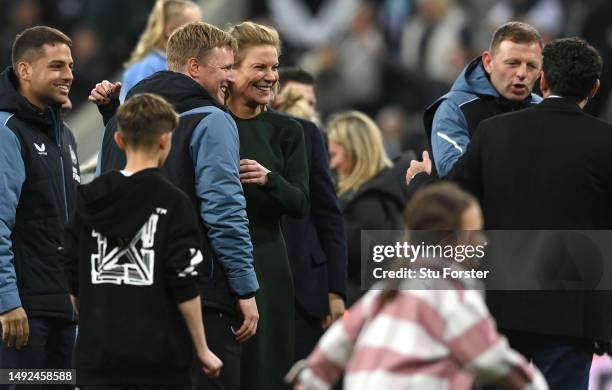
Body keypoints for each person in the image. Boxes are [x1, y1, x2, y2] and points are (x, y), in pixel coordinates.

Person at [407, 37, 612, 390]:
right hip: (573, 316)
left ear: (543, 79)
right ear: (594, 88)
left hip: (501, 310)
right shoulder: (606, 142)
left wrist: (419, 183)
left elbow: (453, 203)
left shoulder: (493, 132)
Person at [93, 22, 259, 390]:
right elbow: (224, 211)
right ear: (194, 67)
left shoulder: (118, 124)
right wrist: (244, 289)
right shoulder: (213, 120)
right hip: (201, 299)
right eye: (226, 68)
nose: (232, 78)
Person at [287, 183, 549, 390]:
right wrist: (532, 383)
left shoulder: (388, 289)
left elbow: (331, 349)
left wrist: (311, 380)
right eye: (475, 232)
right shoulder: (449, 293)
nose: (483, 242)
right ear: (452, 240)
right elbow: (490, 359)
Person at [60, 93, 222, 387]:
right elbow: (184, 282)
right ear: (165, 141)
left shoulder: (86, 198)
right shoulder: (174, 203)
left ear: (119, 141)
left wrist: (96, 323)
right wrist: (202, 349)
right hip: (158, 361)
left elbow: (73, 276)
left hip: (96, 359)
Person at [225, 21, 310, 390]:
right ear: (232, 70)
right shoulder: (210, 123)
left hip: (270, 265)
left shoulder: (288, 131)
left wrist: (269, 178)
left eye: (274, 67)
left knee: (268, 372)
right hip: (218, 265)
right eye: (259, 67)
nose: (270, 77)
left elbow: (301, 203)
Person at [0, 26, 80, 382]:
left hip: (62, 309)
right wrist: (7, 301)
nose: (69, 76)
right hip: (21, 315)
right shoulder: (7, 131)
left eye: (71, 66)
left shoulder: (65, 134)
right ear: (25, 70)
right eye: (57, 66)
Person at [274, 68, 348, 360]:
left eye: (311, 102)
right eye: (298, 99)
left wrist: (336, 291)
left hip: (307, 293)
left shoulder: (312, 138)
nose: (307, 108)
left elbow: (329, 217)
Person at [425, 21, 543, 177]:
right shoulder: (454, 109)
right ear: (488, 62)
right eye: (512, 63)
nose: (522, 73)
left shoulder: (542, 107)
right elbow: (456, 178)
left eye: (531, 66)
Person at [326, 110, 408, 305]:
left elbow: (371, 277)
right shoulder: (378, 195)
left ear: (356, 152)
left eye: (334, 155)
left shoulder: (370, 206)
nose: (332, 164)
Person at [120, 0, 201, 102]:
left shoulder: (183, 62)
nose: (201, 33)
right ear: (171, 30)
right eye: (194, 28)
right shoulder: (146, 68)